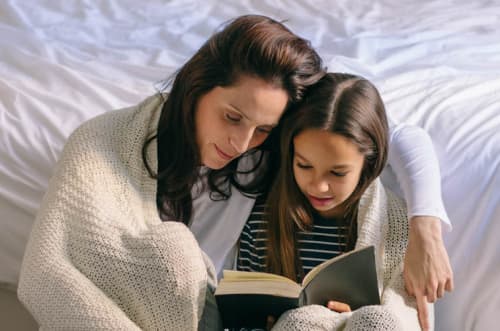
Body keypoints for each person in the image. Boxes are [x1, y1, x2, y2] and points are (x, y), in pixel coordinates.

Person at [17, 15, 450, 330]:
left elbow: (398, 135)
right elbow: (46, 274)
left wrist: (426, 227)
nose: (241, 144)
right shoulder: (105, 141)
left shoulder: (266, 148)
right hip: (156, 307)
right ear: (198, 85)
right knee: (171, 252)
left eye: (262, 129)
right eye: (232, 117)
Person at [238, 72, 433, 330]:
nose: (318, 186)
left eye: (337, 173)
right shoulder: (263, 220)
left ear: (368, 164)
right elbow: (239, 315)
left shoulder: (395, 226)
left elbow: (405, 318)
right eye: (304, 165)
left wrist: (348, 319)